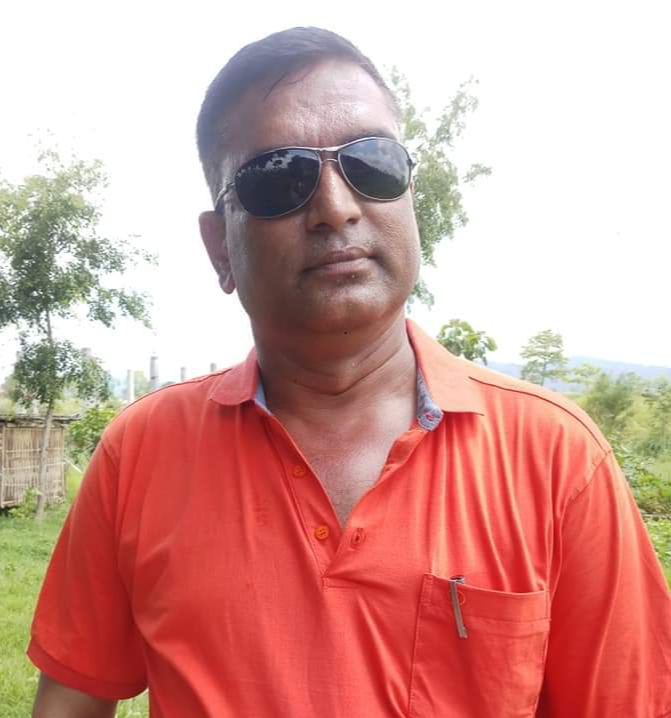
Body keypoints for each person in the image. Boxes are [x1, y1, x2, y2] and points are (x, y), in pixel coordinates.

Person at [29, 26, 670, 718]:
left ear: (409, 199)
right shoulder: (142, 453)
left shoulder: (554, 457)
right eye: (280, 177)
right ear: (220, 247)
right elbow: (71, 702)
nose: (336, 207)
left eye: (372, 163)